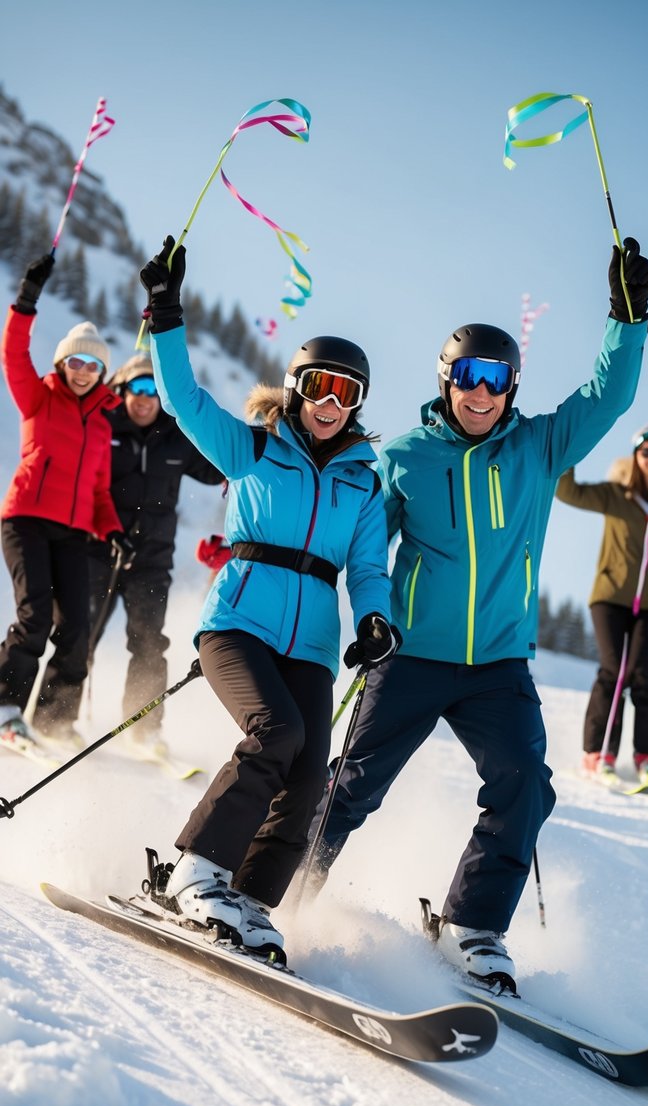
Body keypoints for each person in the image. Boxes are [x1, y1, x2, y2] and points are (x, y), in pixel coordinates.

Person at [310, 237, 648, 990]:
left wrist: (624, 320)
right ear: (446, 380)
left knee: (524, 784)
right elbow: (365, 550)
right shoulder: (403, 457)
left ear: (510, 387)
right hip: (412, 656)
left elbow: (607, 395)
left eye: (495, 379)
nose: (479, 392)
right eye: (466, 376)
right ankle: (277, 887)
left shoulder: (537, 447)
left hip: (497, 663)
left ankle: (473, 925)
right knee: (353, 783)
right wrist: (357, 613)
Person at [137, 236, 396, 957]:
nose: (331, 404)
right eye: (320, 387)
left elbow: (369, 567)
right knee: (274, 735)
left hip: (311, 645)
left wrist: (376, 617)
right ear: (296, 386)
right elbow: (184, 400)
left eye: (347, 394)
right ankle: (195, 870)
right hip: (238, 626)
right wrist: (164, 313)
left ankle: (246, 899)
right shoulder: (256, 448)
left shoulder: (362, 483)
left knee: (309, 774)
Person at [0, 252, 132, 750]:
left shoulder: (101, 423)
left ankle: (55, 719)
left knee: (76, 628)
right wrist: (27, 300)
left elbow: (99, 491)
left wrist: (114, 529)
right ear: (62, 362)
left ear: (102, 372)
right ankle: (5, 709)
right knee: (35, 617)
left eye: (94, 365)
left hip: (74, 532)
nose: (83, 371)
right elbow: (12, 353)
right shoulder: (38, 397)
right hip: (26, 521)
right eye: (76, 361)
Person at [87, 353, 225, 749]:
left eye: (152, 389)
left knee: (149, 641)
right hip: (100, 550)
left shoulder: (174, 437)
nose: (144, 398)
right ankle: (54, 717)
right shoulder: (105, 426)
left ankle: (143, 730)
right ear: (123, 389)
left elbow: (218, 466)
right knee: (81, 635)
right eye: (137, 387)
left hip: (152, 558)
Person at [555, 425, 648, 785]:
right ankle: (597, 753)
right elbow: (567, 491)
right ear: (636, 457)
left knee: (645, 675)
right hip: (610, 597)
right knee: (613, 670)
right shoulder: (616, 495)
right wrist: (574, 449)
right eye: (646, 451)